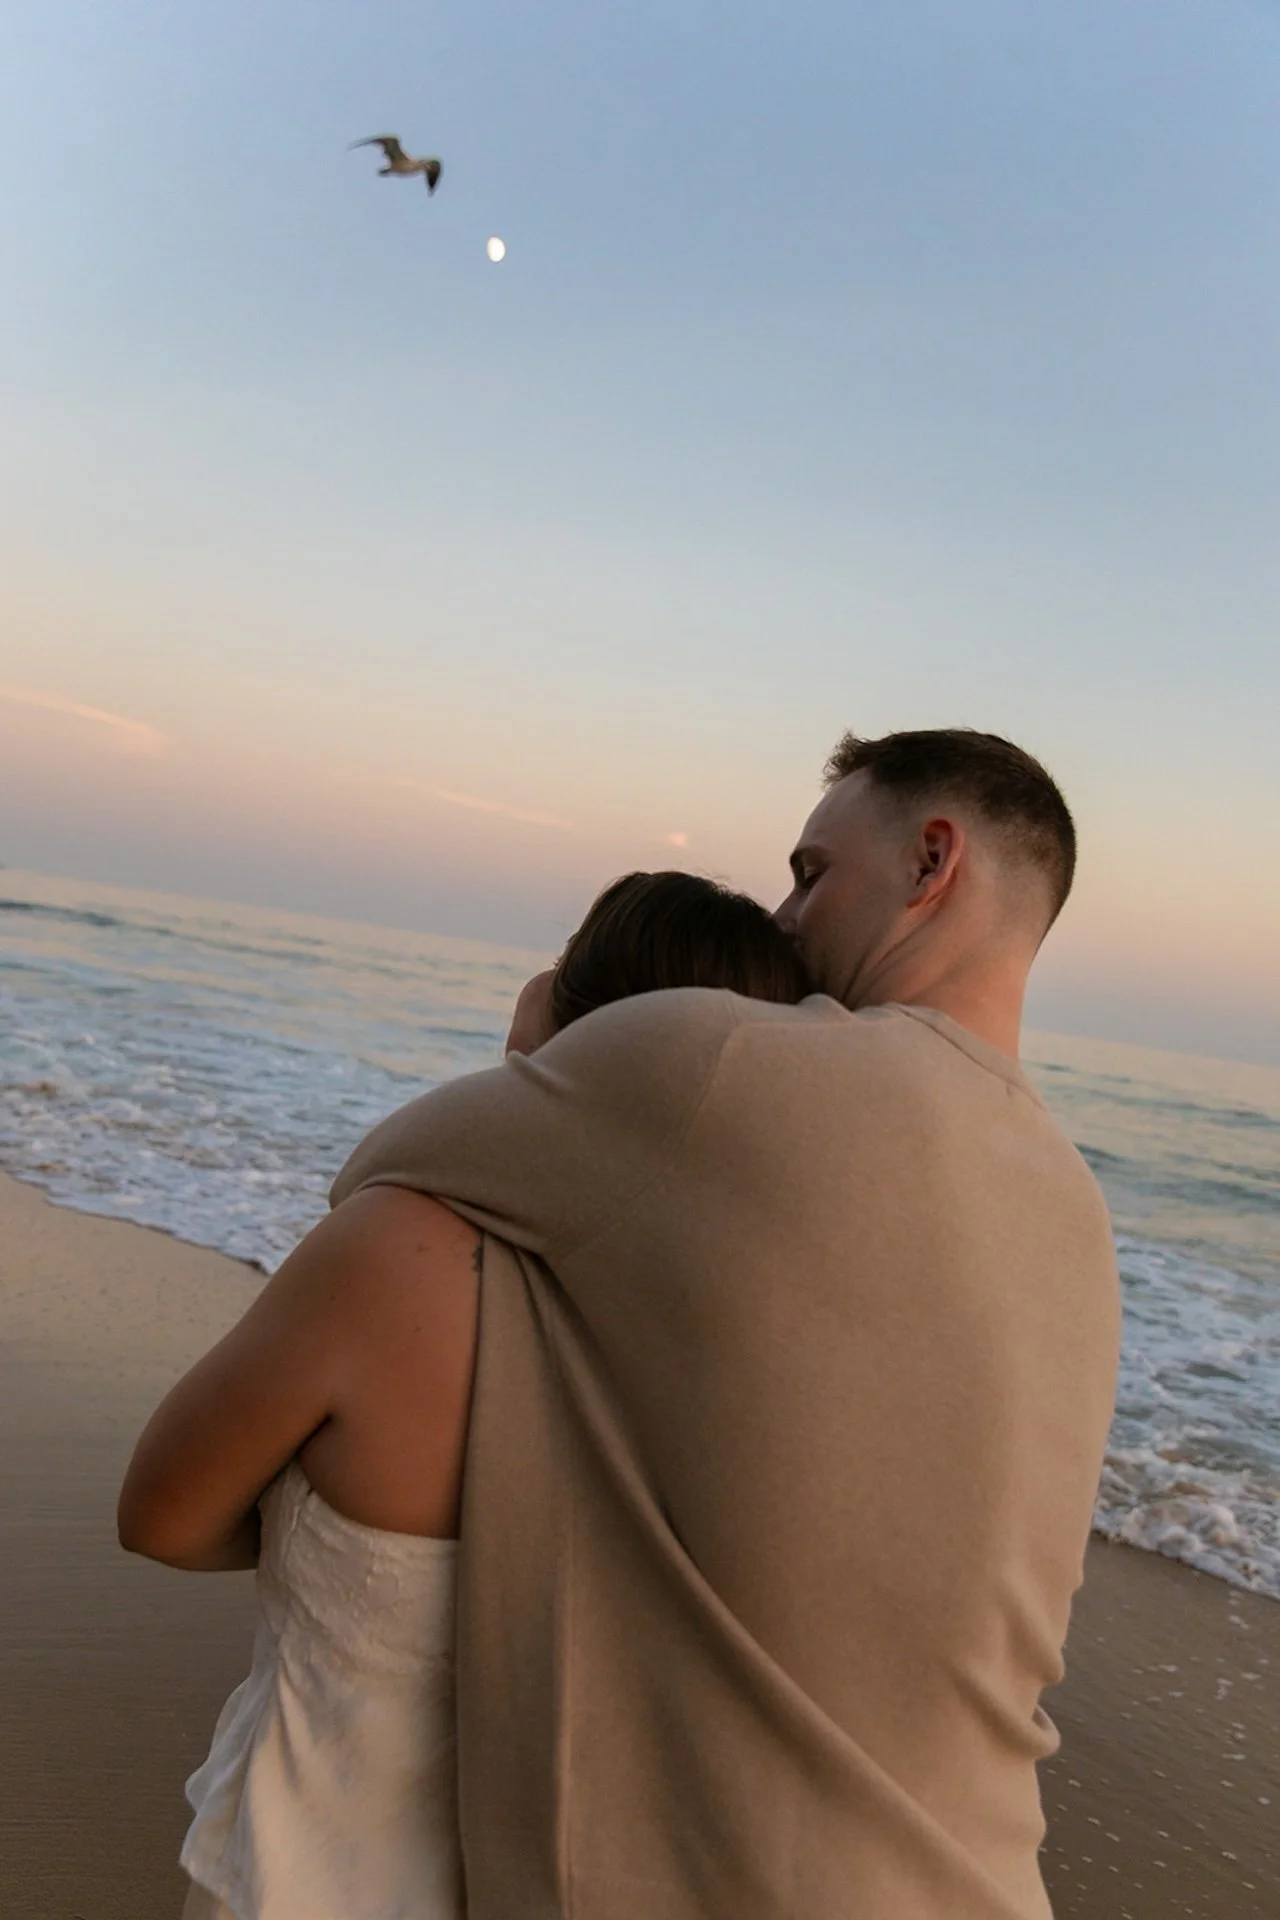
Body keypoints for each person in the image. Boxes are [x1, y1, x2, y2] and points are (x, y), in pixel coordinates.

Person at [325, 727, 1121, 1920]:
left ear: (929, 862)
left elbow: (379, 1180)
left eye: (811, 873)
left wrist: (552, 1029)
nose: (786, 920)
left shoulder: (715, 1060)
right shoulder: (1079, 1215)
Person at [116, 874, 812, 1920]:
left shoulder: (397, 1252)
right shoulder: (758, 1339)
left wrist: (318, 1532)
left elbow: (161, 1518)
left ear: (576, 1016)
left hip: (306, 1872)